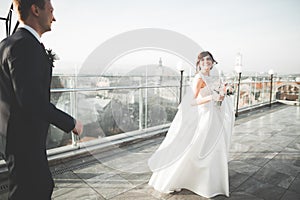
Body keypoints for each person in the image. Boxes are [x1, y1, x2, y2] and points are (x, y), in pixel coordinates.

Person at [0, 0, 83, 199]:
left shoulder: (8, 43)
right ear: (36, 10)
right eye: (51, 10)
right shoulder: (25, 46)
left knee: (35, 186)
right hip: (23, 138)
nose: (54, 17)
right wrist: (70, 123)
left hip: (12, 135)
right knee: (34, 190)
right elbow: (30, 100)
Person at [148, 51, 235, 198]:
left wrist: (221, 95)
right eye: (203, 60)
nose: (206, 62)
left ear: (213, 63)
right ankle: (189, 179)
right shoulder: (198, 78)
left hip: (215, 116)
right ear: (199, 63)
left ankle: (211, 181)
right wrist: (211, 97)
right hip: (203, 117)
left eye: (209, 60)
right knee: (197, 147)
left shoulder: (214, 78)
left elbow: (218, 100)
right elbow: (192, 102)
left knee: (213, 147)